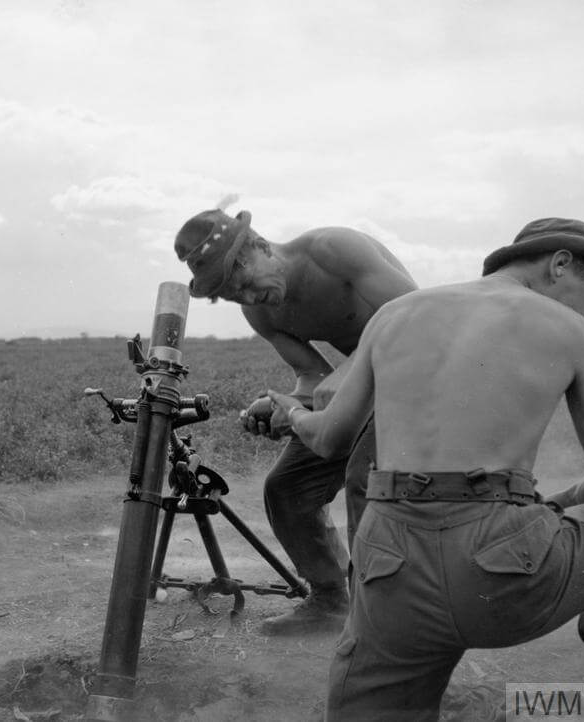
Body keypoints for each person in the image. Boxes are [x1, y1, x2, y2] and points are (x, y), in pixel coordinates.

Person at [268, 216, 584, 721]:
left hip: (388, 563)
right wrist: (564, 502)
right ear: (561, 263)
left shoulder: (395, 313)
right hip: (506, 566)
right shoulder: (573, 329)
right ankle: (561, 707)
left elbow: (328, 439)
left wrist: (292, 411)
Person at [174, 209, 417, 633]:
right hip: (367, 391)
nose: (248, 299)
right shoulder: (262, 312)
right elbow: (315, 377)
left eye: (247, 283)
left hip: (419, 380)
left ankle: (378, 621)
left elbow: (421, 319)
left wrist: (348, 375)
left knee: (366, 481)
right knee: (288, 489)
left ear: (262, 247)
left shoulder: (333, 250)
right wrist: (288, 407)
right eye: (234, 296)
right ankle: (330, 601)